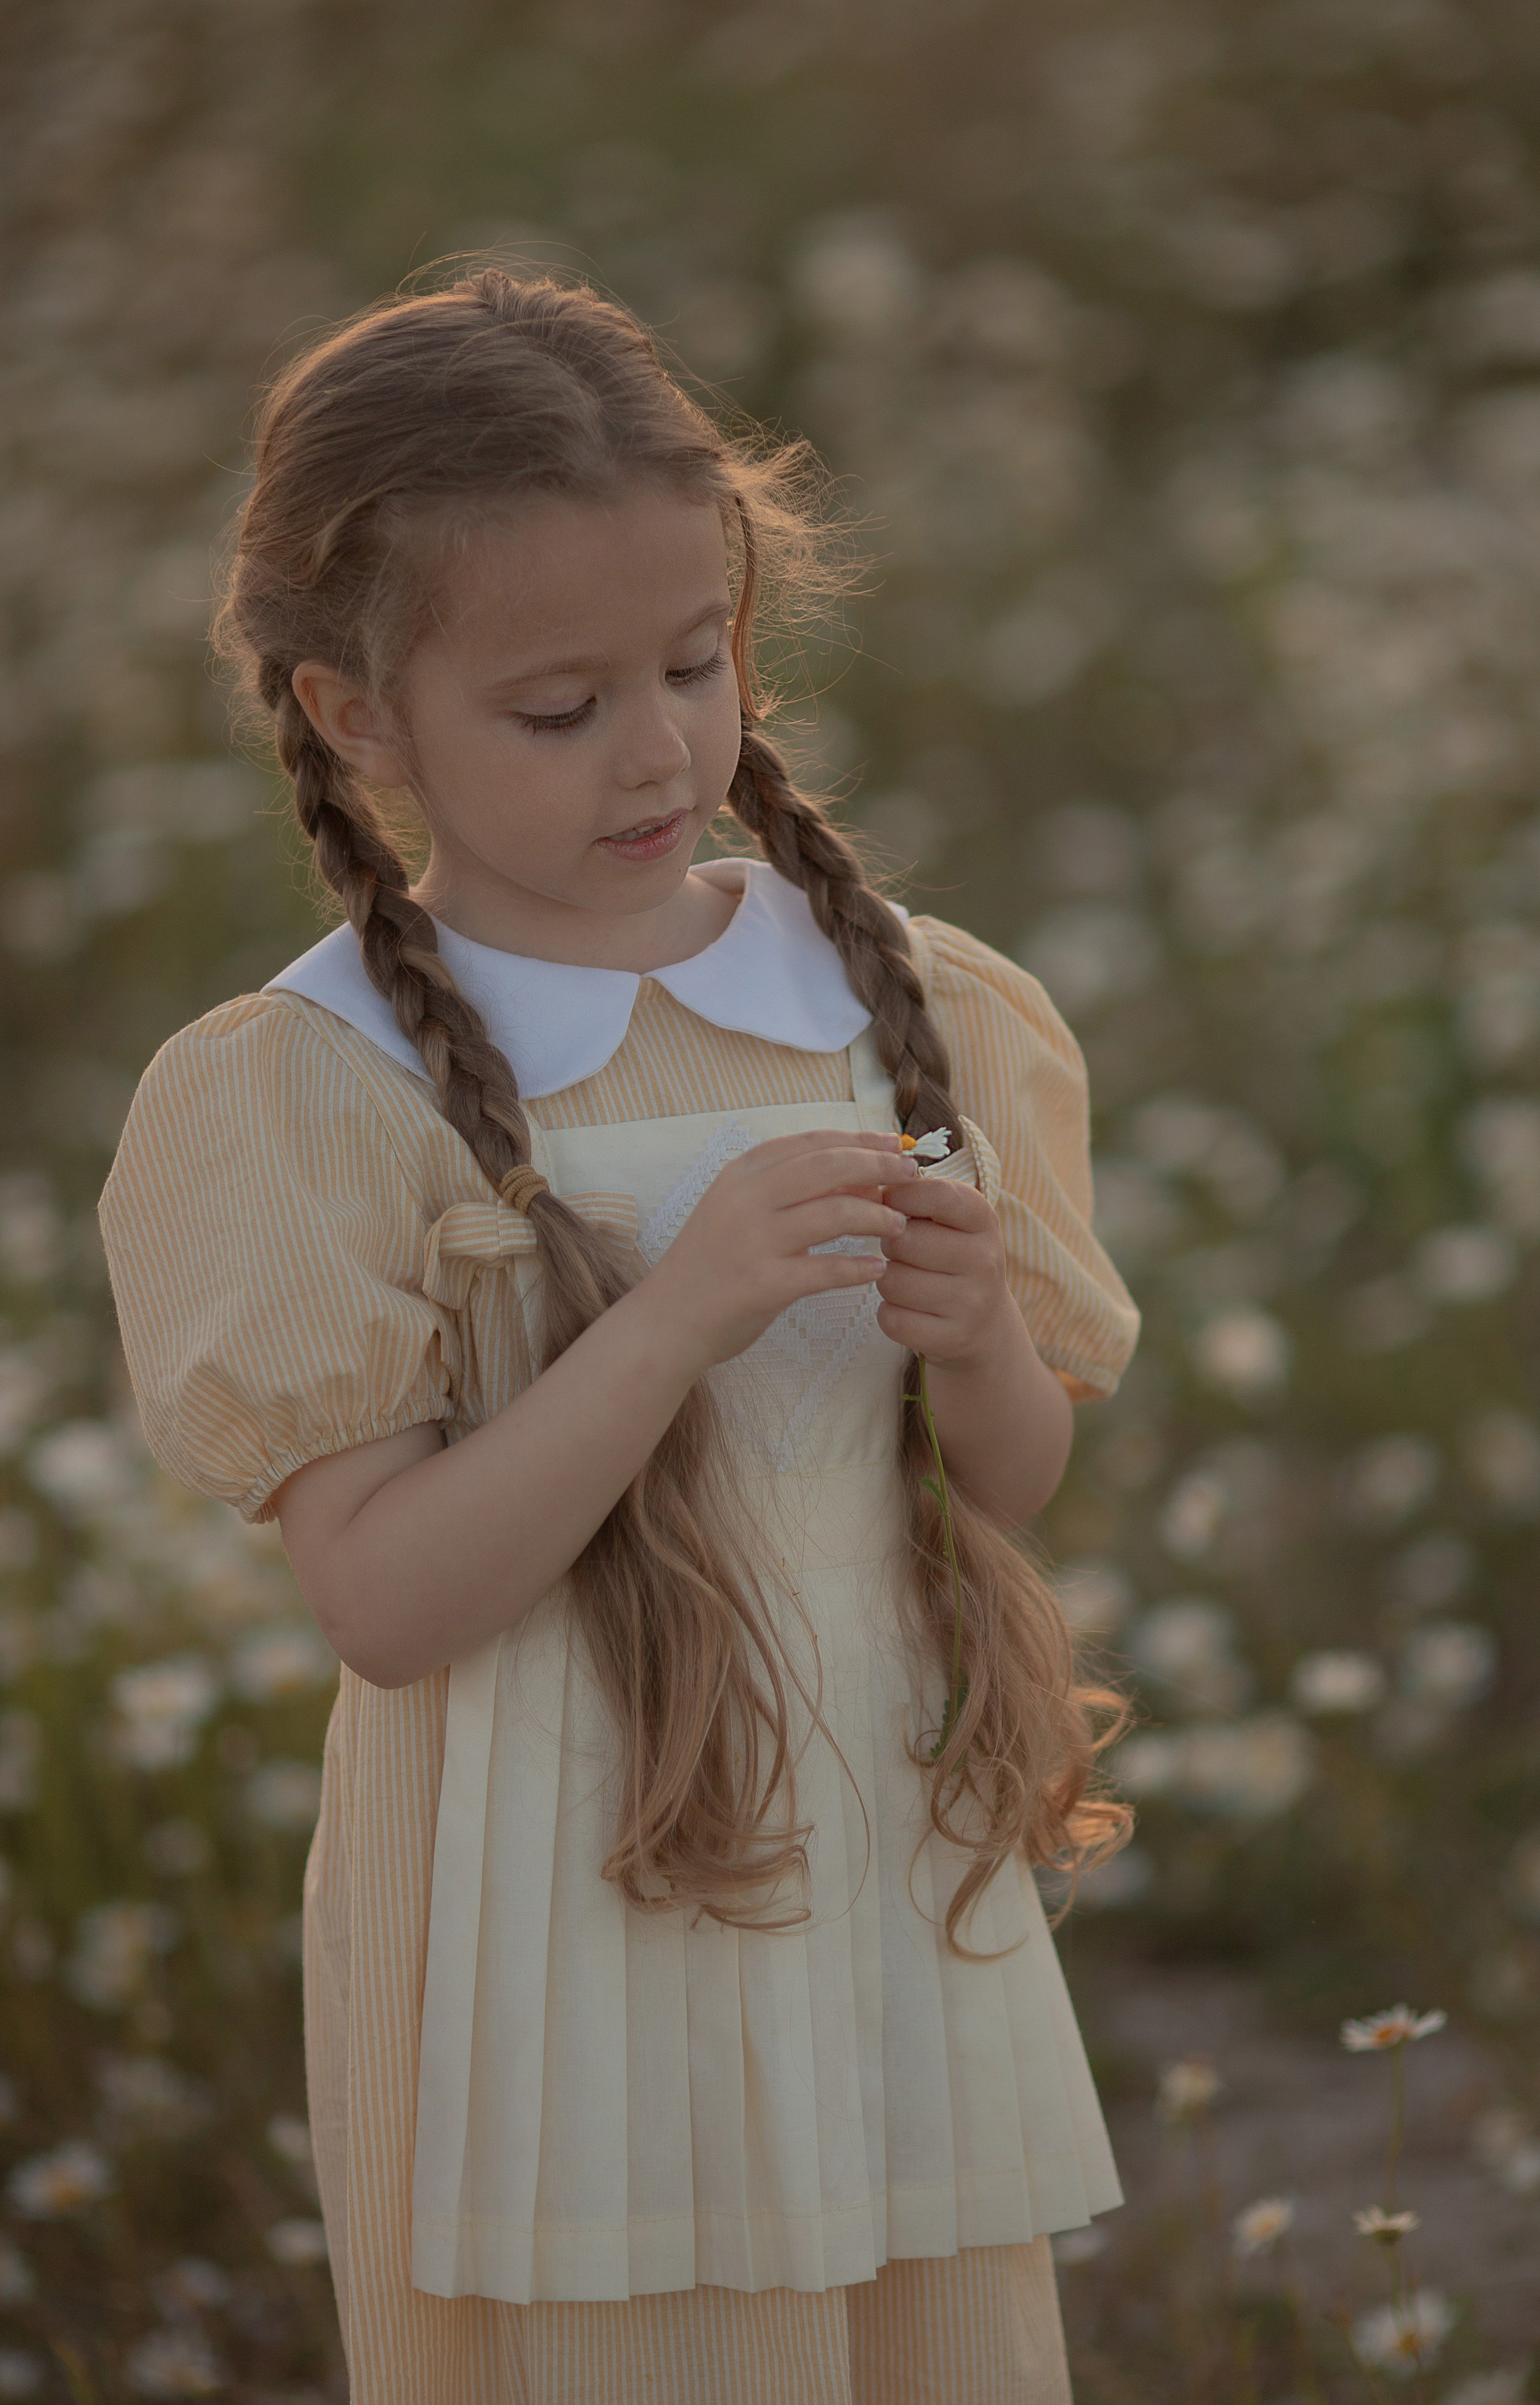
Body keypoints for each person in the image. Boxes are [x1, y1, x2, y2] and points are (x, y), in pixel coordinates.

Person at [98, 268, 1141, 2405]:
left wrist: (972, 1346)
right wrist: (666, 1319)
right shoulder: (314, 1084)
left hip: (864, 1852)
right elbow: (390, 1606)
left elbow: (1013, 1483)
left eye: (698, 661)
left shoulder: (901, 997)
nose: (662, 746)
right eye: (559, 709)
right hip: (543, 1908)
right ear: (353, 717)